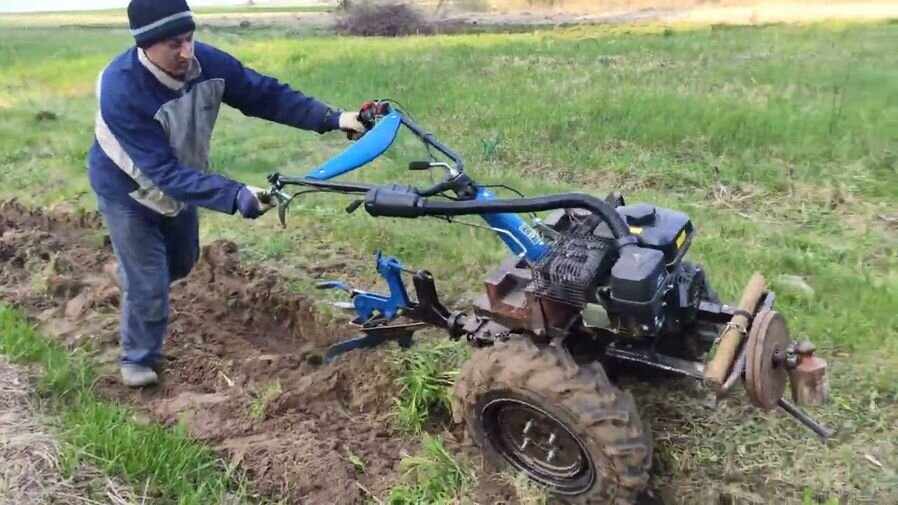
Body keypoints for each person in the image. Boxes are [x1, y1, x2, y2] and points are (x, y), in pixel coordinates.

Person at [87, 0, 367, 387]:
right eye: (174, 44)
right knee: (150, 281)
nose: (187, 51)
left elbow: (265, 95)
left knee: (182, 263)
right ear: (145, 46)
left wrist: (332, 118)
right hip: (128, 188)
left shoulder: (207, 64)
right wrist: (235, 194)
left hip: (183, 176)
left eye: (190, 38)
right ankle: (138, 360)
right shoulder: (121, 88)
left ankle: (131, 277)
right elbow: (162, 173)